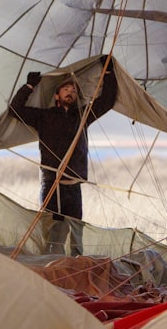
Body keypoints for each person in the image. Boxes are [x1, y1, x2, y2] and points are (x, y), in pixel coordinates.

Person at [9, 55, 118, 255]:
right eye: (66, 89)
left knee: (76, 234)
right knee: (52, 234)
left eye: (74, 91)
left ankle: (73, 271)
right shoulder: (44, 116)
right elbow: (15, 110)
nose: (70, 92)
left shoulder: (82, 116)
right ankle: (49, 268)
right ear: (57, 96)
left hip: (74, 185)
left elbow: (108, 100)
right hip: (52, 182)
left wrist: (108, 72)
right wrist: (29, 86)